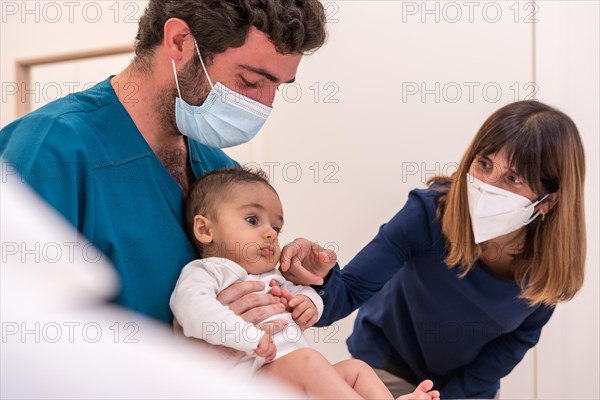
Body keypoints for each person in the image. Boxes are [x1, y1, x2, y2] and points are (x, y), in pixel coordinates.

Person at [0, 0, 329, 326]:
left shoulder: (216, 168)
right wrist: (191, 356)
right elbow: (17, 332)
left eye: (278, 87)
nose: (264, 105)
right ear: (180, 42)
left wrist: (290, 276)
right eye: (251, 81)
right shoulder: (52, 149)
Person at [280, 100, 587, 398]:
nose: (489, 186)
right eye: (484, 164)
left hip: (466, 388)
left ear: (547, 201)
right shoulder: (429, 213)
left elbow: (515, 342)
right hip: (384, 363)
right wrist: (317, 279)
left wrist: (453, 395)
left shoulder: (549, 267)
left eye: (513, 178)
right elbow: (347, 293)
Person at [170, 167, 440, 400]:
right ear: (205, 230)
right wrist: (246, 335)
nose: (269, 233)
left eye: (276, 228)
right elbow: (194, 310)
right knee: (308, 362)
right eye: (253, 220)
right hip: (245, 383)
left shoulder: (271, 277)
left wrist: (310, 302)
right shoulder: (206, 271)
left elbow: (304, 295)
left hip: (288, 378)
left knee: (356, 369)